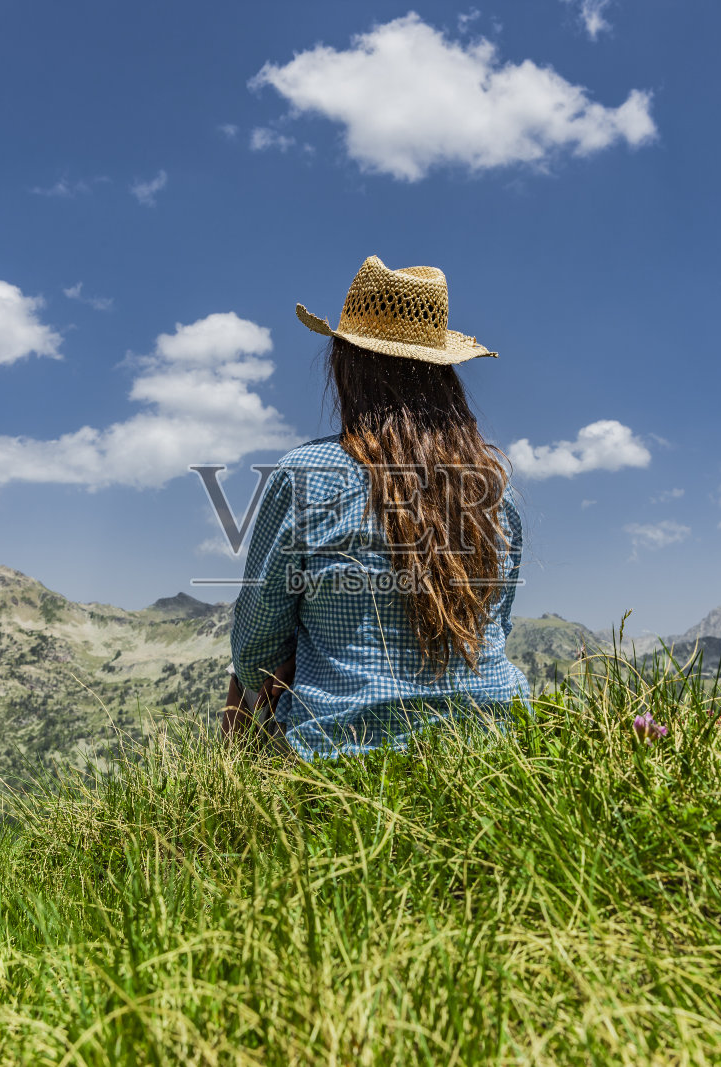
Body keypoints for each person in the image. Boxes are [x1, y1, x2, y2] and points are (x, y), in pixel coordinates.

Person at [224, 255, 530, 759]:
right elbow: (497, 624)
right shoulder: (495, 487)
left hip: (345, 749)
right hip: (494, 738)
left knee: (246, 679)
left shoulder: (305, 474)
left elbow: (257, 645)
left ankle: (228, 797)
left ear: (346, 365)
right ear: (444, 376)